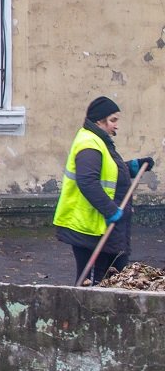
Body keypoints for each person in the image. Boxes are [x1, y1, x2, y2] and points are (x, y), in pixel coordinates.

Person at [52, 96, 154, 285]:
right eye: (113, 120)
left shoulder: (98, 140)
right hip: (90, 228)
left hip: (103, 228)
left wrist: (131, 167)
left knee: (115, 278)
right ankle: (85, 312)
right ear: (100, 120)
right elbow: (88, 181)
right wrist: (111, 210)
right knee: (93, 282)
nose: (116, 126)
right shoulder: (89, 144)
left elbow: (106, 171)